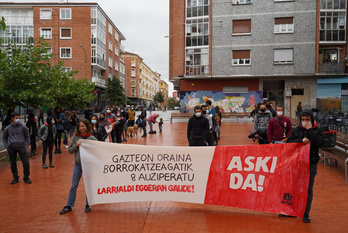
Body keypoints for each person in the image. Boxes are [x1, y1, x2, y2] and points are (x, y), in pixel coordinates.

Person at [287, 109, 325, 223]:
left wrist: (310, 130)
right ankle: (292, 210)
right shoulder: (296, 130)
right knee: (295, 187)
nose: (305, 122)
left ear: (312, 120)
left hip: (311, 164)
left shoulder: (318, 131)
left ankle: (305, 212)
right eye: (303, 120)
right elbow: (288, 143)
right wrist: (300, 140)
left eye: (307, 120)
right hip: (297, 164)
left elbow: (320, 142)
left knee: (308, 189)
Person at [59, 119, 97, 215]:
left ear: (87, 127)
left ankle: (88, 204)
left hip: (88, 165)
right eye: (79, 126)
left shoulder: (92, 139)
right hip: (78, 165)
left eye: (83, 126)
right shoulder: (75, 138)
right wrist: (76, 146)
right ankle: (69, 205)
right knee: (74, 185)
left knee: (88, 185)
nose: (81, 128)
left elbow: (98, 150)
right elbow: (70, 151)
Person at [3, 112, 31, 184]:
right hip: (11, 148)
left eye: (19, 118)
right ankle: (15, 177)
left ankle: (26, 177)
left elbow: (27, 136)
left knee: (26, 162)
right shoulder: (8, 128)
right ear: (12, 118)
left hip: (22, 147)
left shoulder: (23, 127)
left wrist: (26, 145)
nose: (18, 119)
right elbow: (5, 138)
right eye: (16, 118)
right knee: (13, 163)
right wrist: (6, 146)